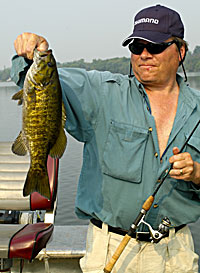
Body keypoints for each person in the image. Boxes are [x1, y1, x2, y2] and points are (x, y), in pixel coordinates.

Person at [11, 4, 200, 273]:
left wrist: (196, 173)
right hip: (109, 249)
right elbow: (42, 83)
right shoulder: (101, 92)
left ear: (181, 51)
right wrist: (33, 52)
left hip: (177, 253)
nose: (144, 54)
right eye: (136, 46)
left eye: (155, 46)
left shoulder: (198, 111)